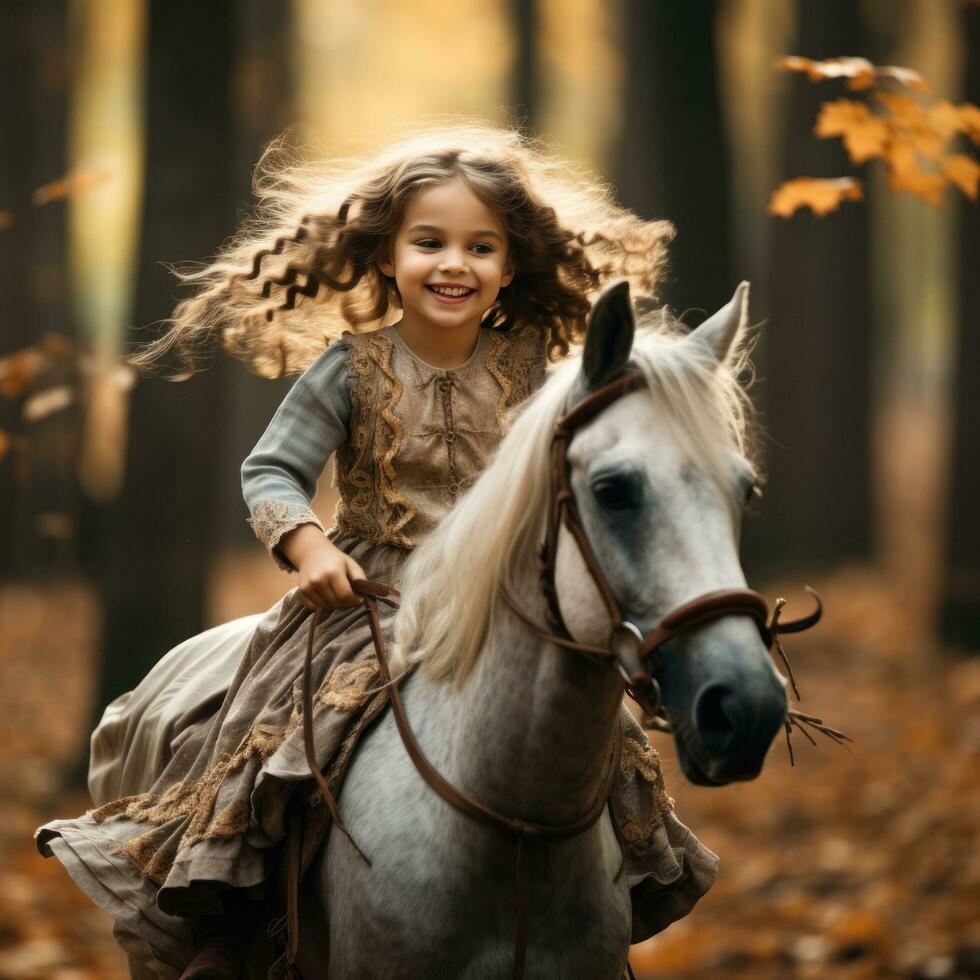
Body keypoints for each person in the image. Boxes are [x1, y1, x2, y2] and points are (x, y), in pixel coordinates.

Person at [35, 123, 716, 978]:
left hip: (501, 602)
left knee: (598, 729)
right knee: (285, 736)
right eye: (428, 242)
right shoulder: (351, 367)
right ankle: (227, 919)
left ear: (511, 265)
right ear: (387, 255)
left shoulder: (541, 373)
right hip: (370, 597)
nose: (453, 263)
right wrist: (308, 544)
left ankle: (603, 906)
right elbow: (273, 467)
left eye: (480, 246)